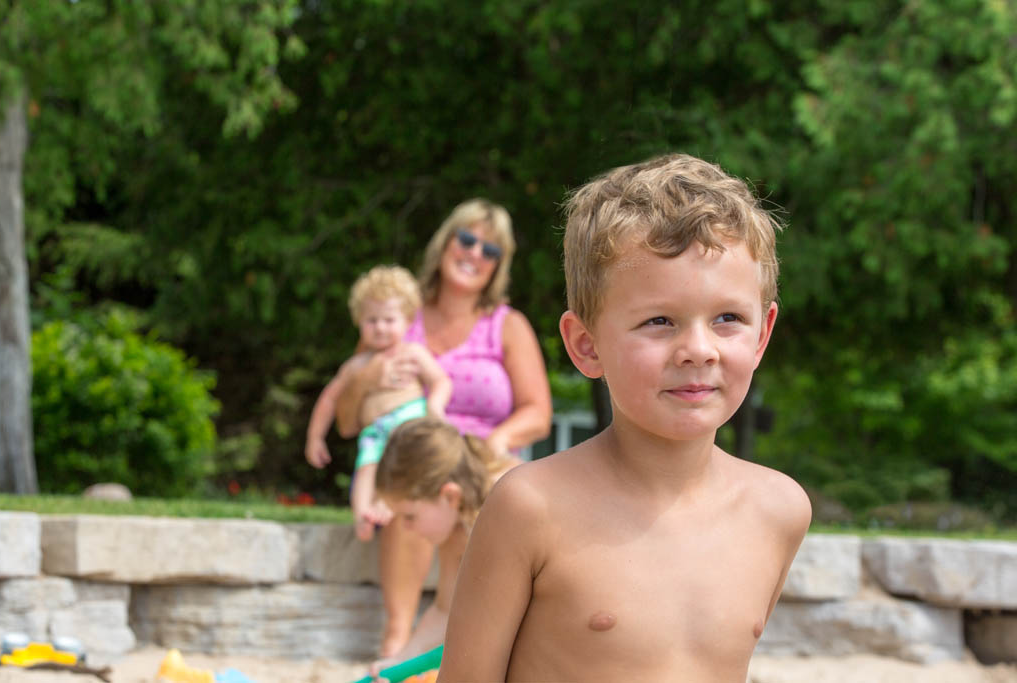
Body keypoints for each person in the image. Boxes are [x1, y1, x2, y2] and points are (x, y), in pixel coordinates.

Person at [438, 154, 813, 682]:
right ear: (586, 345)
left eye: (728, 318)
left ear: (763, 334)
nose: (698, 350)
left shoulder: (779, 511)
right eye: (660, 321)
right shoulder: (531, 509)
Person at [329, 199, 553, 657]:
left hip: (481, 455)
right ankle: (397, 641)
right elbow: (348, 421)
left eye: (490, 250)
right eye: (467, 239)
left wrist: (498, 440)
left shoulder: (507, 325)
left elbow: (538, 412)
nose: (475, 253)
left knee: (496, 499)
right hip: (410, 455)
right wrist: (368, 378)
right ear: (445, 243)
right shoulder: (395, 317)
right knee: (412, 496)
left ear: (499, 265)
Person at [304, 265, 451, 542]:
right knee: (366, 468)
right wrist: (315, 437)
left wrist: (435, 405)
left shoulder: (413, 353)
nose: (380, 327)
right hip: (374, 430)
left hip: (407, 420)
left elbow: (441, 380)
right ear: (359, 321)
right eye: (372, 320)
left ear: (407, 320)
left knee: (403, 463)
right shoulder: (355, 366)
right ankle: (363, 516)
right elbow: (329, 398)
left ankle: (387, 504)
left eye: (388, 319)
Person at [367, 417, 515, 676]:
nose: (406, 529)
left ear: (450, 495)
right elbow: (445, 610)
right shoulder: (456, 528)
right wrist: (400, 662)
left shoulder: (507, 508)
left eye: (410, 516)